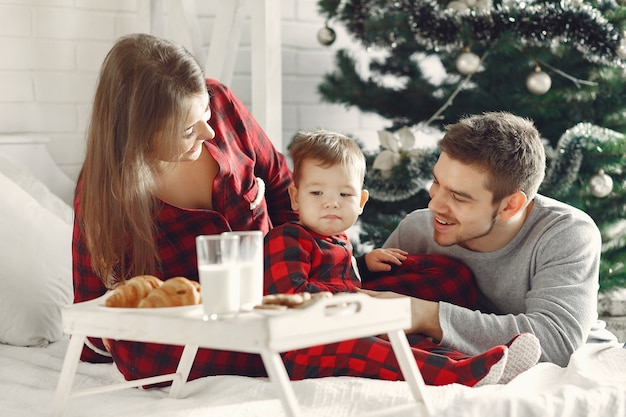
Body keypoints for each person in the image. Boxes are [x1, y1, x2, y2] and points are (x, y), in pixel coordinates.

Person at [72, 33, 298, 381]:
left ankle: (296, 342)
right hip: (203, 331)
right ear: (139, 136)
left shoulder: (220, 102)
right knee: (139, 351)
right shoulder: (103, 197)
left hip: (283, 293)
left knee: (402, 276)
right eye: (188, 129)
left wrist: (313, 269)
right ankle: (295, 350)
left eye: (205, 111)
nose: (209, 132)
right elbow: (87, 326)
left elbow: (284, 190)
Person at [264, 129, 541, 386]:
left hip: (346, 324)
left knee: (407, 337)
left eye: (344, 194)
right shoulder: (287, 237)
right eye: (317, 192)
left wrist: (362, 265)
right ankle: (458, 374)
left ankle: (473, 363)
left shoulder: (339, 242)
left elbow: (332, 275)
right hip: (303, 346)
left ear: (360, 202)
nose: (331, 202)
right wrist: (353, 302)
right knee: (369, 348)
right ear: (296, 198)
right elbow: (289, 299)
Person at [361, 111, 610, 368]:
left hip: (579, 367)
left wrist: (426, 315)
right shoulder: (418, 229)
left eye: (458, 197)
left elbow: (556, 342)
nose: (434, 205)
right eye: (436, 182)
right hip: (462, 369)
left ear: (510, 206)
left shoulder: (566, 232)